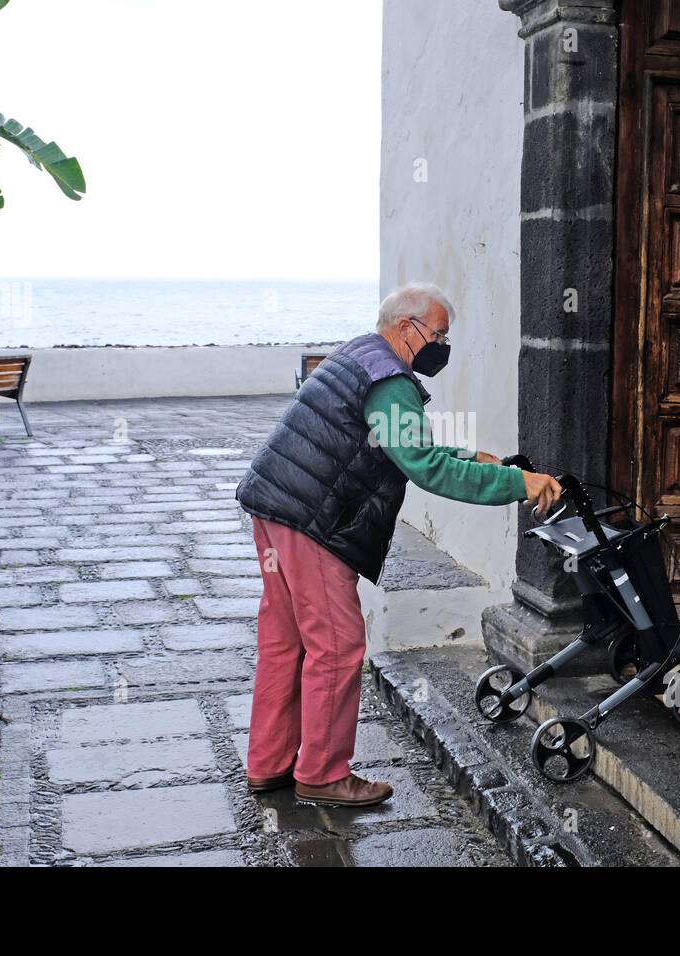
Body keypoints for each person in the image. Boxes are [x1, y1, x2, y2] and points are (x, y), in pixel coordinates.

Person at [235, 282, 563, 806]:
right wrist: (516, 485)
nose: (443, 346)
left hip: (277, 505)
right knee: (337, 645)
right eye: (439, 334)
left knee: (285, 640)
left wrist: (480, 459)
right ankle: (321, 774)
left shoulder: (362, 355)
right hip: (314, 521)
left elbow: (409, 445)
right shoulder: (389, 380)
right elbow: (425, 469)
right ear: (408, 327)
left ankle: (269, 763)